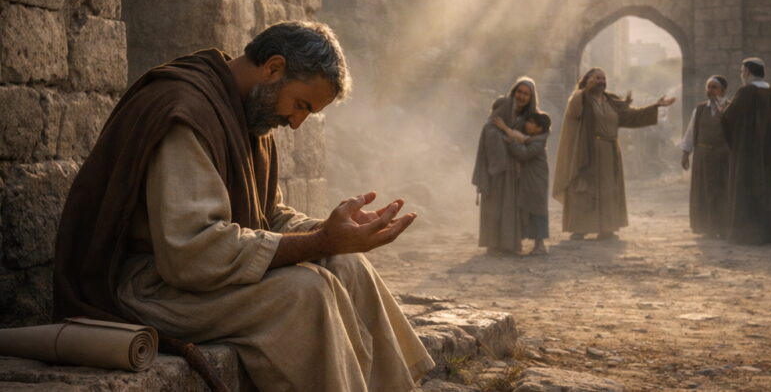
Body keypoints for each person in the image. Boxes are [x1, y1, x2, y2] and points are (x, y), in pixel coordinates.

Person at [53, 21, 435, 392]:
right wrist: (321, 241)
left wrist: (335, 233)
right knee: (305, 292)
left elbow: (268, 216)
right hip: (146, 286)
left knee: (348, 264)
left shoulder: (252, 115)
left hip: (200, 277)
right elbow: (191, 254)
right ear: (273, 68)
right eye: (301, 104)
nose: (297, 122)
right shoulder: (186, 113)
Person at [552, 68, 676, 241]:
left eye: (603, 78)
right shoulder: (580, 98)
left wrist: (655, 106)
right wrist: (584, 90)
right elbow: (574, 112)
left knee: (608, 190)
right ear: (587, 80)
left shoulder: (611, 101)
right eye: (597, 78)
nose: (601, 81)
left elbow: (631, 115)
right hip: (587, 150)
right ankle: (580, 228)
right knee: (585, 187)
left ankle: (607, 228)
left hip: (610, 151)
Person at [720, 57, 771, 244]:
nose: (742, 76)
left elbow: (729, 118)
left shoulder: (746, 91)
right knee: (769, 188)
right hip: (770, 153)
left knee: (748, 187)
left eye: (742, 72)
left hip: (749, 153)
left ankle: (748, 234)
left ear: (748, 72)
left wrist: (724, 108)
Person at [472, 77, 538, 255]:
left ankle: (511, 244)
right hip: (497, 167)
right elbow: (490, 128)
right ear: (514, 91)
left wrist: (512, 138)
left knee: (512, 207)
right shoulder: (504, 106)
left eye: (526, 94)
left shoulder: (529, 117)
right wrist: (506, 141)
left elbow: (530, 140)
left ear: (531, 98)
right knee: (495, 205)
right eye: (520, 92)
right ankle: (493, 245)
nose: (521, 97)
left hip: (517, 167)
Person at [680, 75, 731, 238]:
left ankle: (723, 228)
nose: (710, 91)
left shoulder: (731, 108)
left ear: (723, 90)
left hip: (723, 157)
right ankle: (707, 228)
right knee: (704, 192)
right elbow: (690, 133)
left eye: (714, 87)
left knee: (722, 191)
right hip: (702, 156)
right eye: (708, 87)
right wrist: (685, 154)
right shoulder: (700, 109)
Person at [506, 111, 551, 255]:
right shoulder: (534, 140)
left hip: (536, 183)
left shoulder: (538, 142)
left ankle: (540, 245)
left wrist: (512, 141)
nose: (527, 124)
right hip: (531, 181)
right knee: (531, 211)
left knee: (538, 212)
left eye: (531, 122)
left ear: (539, 128)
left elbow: (524, 154)